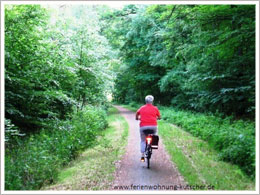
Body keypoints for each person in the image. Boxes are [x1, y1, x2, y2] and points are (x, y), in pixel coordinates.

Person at [136, 95, 161, 162]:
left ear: (145, 101)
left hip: (143, 127)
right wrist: (158, 118)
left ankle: (142, 156)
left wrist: (137, 118)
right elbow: (159, 117)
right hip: (153, 127)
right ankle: (154, 144)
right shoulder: (155, 108)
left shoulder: (142, 108)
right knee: (155, 134)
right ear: (152, 101)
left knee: (143, 140)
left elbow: (137, 113)